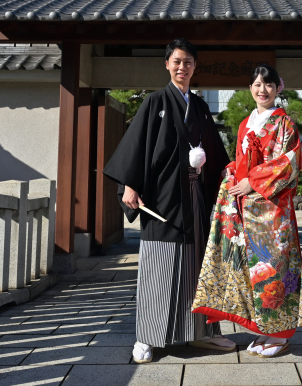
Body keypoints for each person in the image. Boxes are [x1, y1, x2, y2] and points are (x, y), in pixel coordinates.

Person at [103, 38, 235, 364]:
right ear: (167, 64)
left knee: (199, 267)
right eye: (177, 61)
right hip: (162, 198)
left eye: (188, 62)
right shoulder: (155, 102)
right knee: (159, 266)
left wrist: (229, 177)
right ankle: (147, 337)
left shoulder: (200, 107)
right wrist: (130, 185)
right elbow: (137, 146)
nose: (182, 67)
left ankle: (203, 332)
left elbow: (215, 152)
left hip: (195, 197)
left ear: (195, 66)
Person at [192, 64, 302, 358]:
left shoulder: (284, 123)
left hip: (273, 210)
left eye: (269, 85)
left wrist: (252, 181)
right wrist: (232, 172)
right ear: (250, 88)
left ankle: (280, 335)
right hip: (247, 208)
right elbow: (241, 160)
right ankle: (264, 329)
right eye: (258, 85)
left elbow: (289, 163)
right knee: (253, 271)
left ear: (279, 88)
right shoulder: (246, 123)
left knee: (274, 267)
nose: (263, 90)